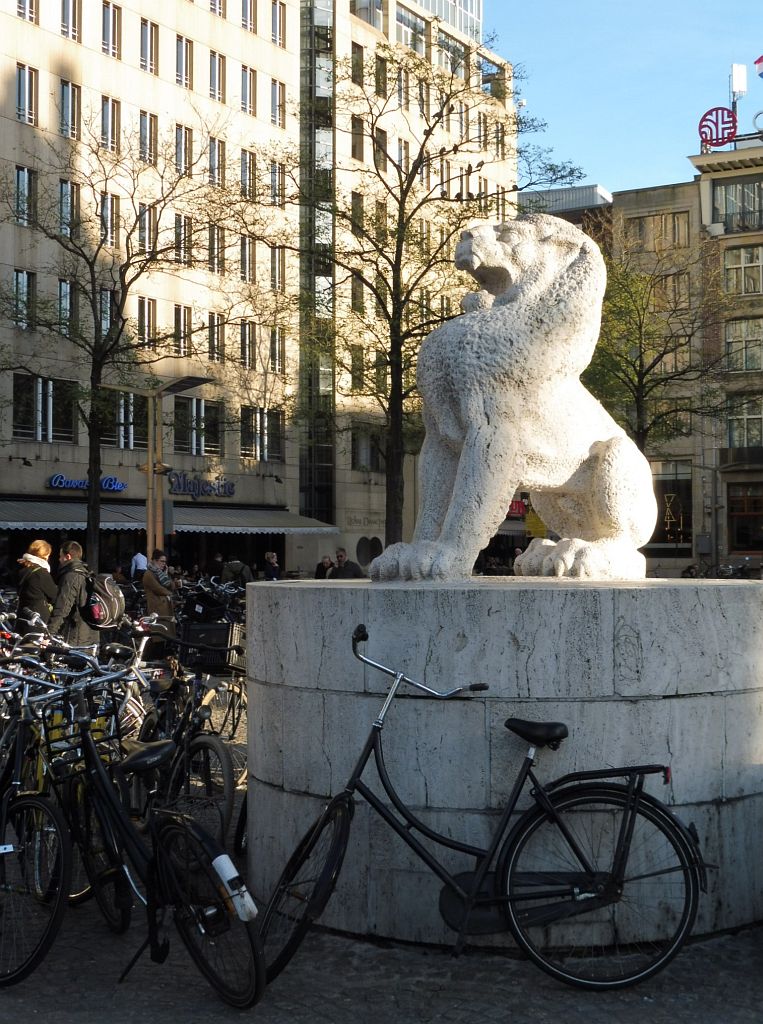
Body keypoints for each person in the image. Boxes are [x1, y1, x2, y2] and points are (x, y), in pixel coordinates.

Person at [48, 541, 100, 646]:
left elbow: (62, 608)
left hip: (75, 635)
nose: (59, 559)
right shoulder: (87, 573)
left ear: (68, 556)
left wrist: (49, 634)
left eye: (60, 556)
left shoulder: (71, 576)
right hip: (91, 634)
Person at [16, 539, 58, 624]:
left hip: (22, 614)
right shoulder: (41, 573)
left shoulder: (21, 569)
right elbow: (54, 595)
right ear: (45, 556)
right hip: (37, 618)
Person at [142, 549, 178, 637]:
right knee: (159, 634)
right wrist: (170, 594)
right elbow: (157, 588)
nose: (164, 564)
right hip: (157, 607)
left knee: (166, 634)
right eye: (162, 561)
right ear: (154, 561)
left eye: (165, 562)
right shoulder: (148, 574)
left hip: (164, 606)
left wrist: (168, 574)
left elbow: (171, 585)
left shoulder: (162, 574)